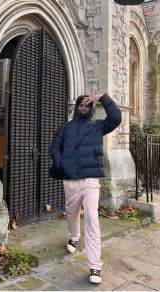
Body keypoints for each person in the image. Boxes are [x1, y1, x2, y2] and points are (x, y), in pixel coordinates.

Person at [50, 93, 121, 284]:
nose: (84, 107)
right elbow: (55, 147)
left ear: (91, 108)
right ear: (76, 107)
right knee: (72, 214)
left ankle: (95, 267)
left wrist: (103, 98)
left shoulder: (98, 126)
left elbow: (116, 118)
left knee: (91, 218)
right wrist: (61, 163)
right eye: (81, 104)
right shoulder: (66, 127)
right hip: (71, 179)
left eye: (87, 105)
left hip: (90, 180)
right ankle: (73, 237)